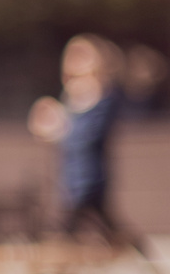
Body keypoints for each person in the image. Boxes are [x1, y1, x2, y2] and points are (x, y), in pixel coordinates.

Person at [28, 33, 161, 256]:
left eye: (83, 55)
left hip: (89, 179)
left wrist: (61, 126)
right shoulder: (70, 97)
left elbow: (86, 135)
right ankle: (143, 255)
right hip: (69, 179)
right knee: (104, 228)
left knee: (62, 230)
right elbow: (59, 134)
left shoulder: (105, 95)